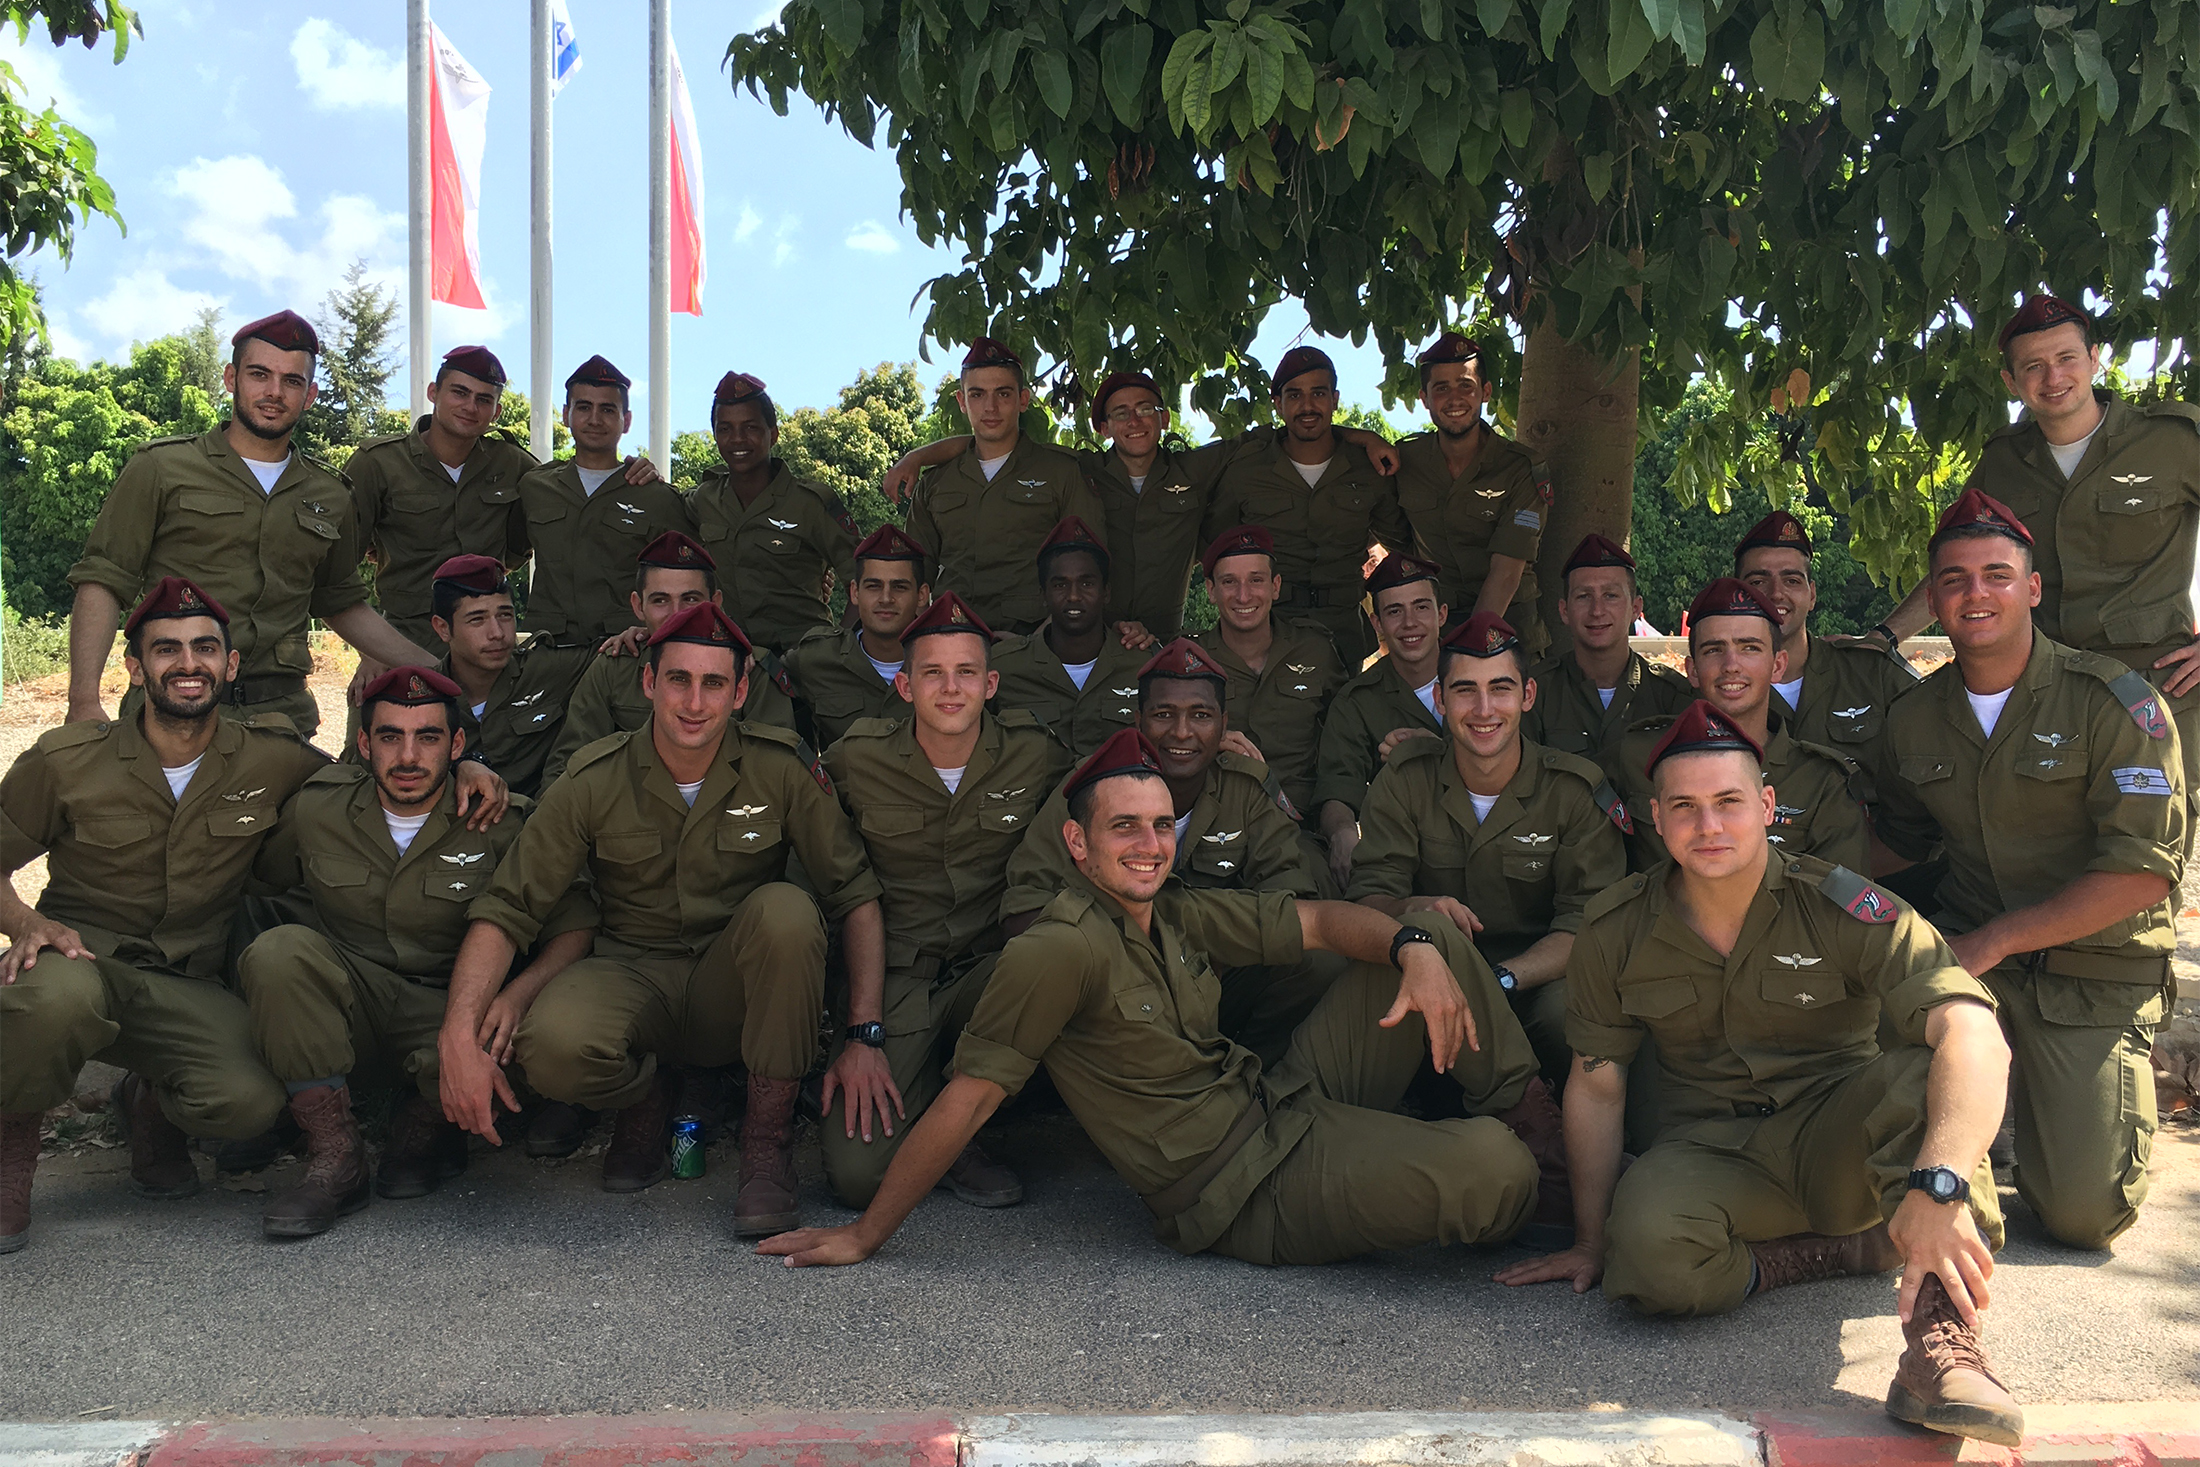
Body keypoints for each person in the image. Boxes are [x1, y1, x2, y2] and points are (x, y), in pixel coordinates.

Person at [756, 727, 1565, 1270]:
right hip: (1242, 1192)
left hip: (1284, 1103)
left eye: (1161, 826)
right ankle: (1516, 1169)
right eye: (1124, 829)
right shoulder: (1059, 949)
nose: (1150, 846)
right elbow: (965, 1102)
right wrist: (865, 1235)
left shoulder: (1175, 908)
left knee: (1430, 934)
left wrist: (1410, 947)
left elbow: (1318, 918)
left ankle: (1549, 1139)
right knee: (1496, 1170)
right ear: (1077, 844)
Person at [1495, 700, 2025, 1448]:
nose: (1708, 826)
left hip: (1837, 1136)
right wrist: (1590, 1239)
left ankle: (1942, 1347)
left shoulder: (1842, 905)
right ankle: (1839, 1249)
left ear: (1767, 805)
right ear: (1655, 815)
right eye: (1684, 807)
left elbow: (1975, 1032)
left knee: (1921, 1076)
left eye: (1728, 803)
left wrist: (1938, 1180)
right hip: (1711, 1153)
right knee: (1645, 1266)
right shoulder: (1617, 928)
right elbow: (1597, 1082)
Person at [438, 603, 885, 1233]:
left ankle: (766, 1143)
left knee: (787, 913)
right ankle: (649, 1092)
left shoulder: (779, 768)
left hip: (731, 986)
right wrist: (458, 1032)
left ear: (740, 693)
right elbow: (509, 905)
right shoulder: (594, 777)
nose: (694, 702)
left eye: (713, 684)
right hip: (632, 976)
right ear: (649, 683)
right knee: (552, 1046)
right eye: (678, 679)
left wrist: (864, 1030)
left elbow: (854, 894)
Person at [1877, 487, 2186, 1252]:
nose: (1974, 593)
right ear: (1935, 598)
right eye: (1953, 579)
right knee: (1880, 1053)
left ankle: (2042, 1111)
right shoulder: (1914, 717)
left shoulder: (2113, 704)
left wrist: (1997, 938)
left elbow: (2144, 874)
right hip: (1975, 965)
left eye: (1996, 574)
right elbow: (1899, 843)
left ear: (2033, 587)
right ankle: (1954, 1192)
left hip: (2095, 973)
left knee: (2083, 1216)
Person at [0, 578, 327, 1253]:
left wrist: (469, 767)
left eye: (205, 647)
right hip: (82, 964)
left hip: (184, 984)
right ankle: (9, 1163)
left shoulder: (271, 755)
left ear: (230, 665)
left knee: (251, 1101)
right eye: (166, 648)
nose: (188, 663)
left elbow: (362, 782)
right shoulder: (67, 762)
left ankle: (148, 1103)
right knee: (50, 998)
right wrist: (22, 921)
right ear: (135, 666)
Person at [237, 668, 594, 1237]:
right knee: (279, 953)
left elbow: (575, 927)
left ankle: (429, 1124)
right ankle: (336, 1156)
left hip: (451, 1007)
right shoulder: (318, 809)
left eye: (428, 737)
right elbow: (256, 882)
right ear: (362, 743)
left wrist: (517, 996)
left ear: (456, 745)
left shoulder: (505, 823)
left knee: (534, 1039)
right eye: (389, 737)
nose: (408, 756)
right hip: (355, 1003)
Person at [1872, 297, 2200, 815]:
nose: (2053, 377)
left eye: (2067, 358)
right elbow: (1959, 566)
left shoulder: (2172, 440)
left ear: (2095, 359)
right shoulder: (2003, 460)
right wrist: (1885, 636)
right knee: (2046, 842)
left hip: (2153, 680)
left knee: (2144, 845)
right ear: (2011, 381)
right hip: (2045, 689)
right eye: (2033, 366)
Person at [66, 311, 431, 737]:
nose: (274, 392)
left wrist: (434, 668)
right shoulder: (161, 468)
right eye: (260, 374)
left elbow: (340, 601)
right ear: (231, 378)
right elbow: (103, 580)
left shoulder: (331, 493)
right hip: (167, 714)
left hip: (280, 720)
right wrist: (83, 701)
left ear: (310, 395)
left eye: (292, 381)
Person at [818, 592, 1069, 1209]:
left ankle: (961, 1130)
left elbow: (1111, 791)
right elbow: (826, 871)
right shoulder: (855, 758)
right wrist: (859, 1031)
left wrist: (1237, 753)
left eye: (966, 673)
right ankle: (930, 1103)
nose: (950, 689)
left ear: (991, 684)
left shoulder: (1033, 751)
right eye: (932, 672)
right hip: (896, 982)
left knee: (1059, 961)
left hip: (988, 976)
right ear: (904, 686)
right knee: (857, 1179)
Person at [1000, 638, 1342, 1065]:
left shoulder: (1244, 789)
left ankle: (1247, 1072)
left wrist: (1207, 952)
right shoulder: (1091, 788)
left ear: (1223, 723)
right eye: (1164, 715)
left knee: (1317, 962)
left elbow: (1291, 900)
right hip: (1109, 985)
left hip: (1212, 978)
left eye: (1200, 715)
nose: (1182, 732)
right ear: (1137, 720)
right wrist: (1113, 958)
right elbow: (1022, 907)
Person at [886, 371, 1391, 641]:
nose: (1134, 421)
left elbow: (1291, 428)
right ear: (1102, 428)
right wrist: (916, 455)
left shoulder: (1195, 471)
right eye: (1119, 413)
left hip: (1164, 637)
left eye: (1146, 409)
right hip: (1088, 639)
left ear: (1165, 417)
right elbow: (995, 442)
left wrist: (1364, 437)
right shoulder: (1078, 469)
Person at [1350, 613, 1629, 1088]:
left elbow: (1589, 923)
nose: (1484, 709)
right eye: (1464, 691)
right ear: (1440, 699)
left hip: (1535, 978)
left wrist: (1503, 978)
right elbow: (1368, 900)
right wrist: (1412, 908)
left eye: (1500, 689)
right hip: (1429, 971)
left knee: (1574, 1011)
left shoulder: (1574, 789)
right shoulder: (1405, 779)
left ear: (1527, 696)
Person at [1615, 579, 1868, 873]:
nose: (1731, 665)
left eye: (1749, 648)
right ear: (1692, 670)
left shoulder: (1822, 782)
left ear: (1778, 666)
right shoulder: (1637, 755)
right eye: (1713, 650)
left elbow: (1840, 904)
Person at [1201, 345, 1413, 663]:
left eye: (1318, 393)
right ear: (1278, 404)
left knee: (1343, 714)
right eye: (1295, 395)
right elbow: (1215, 545)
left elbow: (1406, 543)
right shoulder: (1247, 469)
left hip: (1343, 634)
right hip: (1267, 632)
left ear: (1335, 399)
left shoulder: (1369, 468)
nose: (1308, 406)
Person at [540, 532, 796, 788]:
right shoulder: (615, 666)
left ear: (715, 602)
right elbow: (569, 765)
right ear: (638, 606)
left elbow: (778, 774)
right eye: (660, 600)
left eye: (690, 599)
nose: (676, 615)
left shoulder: (752, 670)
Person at [902, 340, 1105, 633]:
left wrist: (1045, 640)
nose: (991, 407)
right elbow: (913, 578)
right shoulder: (935, 483)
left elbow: (1093, 566)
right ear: (962, 401)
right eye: (977, 394)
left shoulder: (1061, 472)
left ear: (1023, 400)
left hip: (1037, 643)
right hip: (953, 638)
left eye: (1003, 393)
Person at [345, 346, 540, 651]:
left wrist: (635, 472)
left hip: (490, 641)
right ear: (434, 392)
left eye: (484, 399)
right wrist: (370, 650)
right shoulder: (378, 463)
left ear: (496, 412)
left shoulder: (514, 465)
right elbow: (339, 567)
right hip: (404, 639)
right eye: (459, 393)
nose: (470, 407)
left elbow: (555, 506)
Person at [1733, 509, 1917, 801]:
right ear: (1737, 594)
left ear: (1813, 594)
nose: (1775, 593)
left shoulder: (1870, 673)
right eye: (1758, 582)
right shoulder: (1717, 687)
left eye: (1792, 580)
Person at [514, 355, 692, 653]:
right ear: (565, 414)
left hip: (626, 652)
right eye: (584, 407)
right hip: (548, 652)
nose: (595, 419)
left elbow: (687, 582)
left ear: (627, 421)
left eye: (608, 409)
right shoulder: (534, 487)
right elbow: (508, 553)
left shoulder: (655, 497)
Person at [1393, 332, 1553, 652]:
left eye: (1466, 385)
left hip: (1510, 629)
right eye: (1441, 388)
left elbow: (1506, 573)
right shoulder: (1404, 462)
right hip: (1434, 629)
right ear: (1424, 398)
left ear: (1485, 392)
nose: (1455, 398)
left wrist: (1467, 651)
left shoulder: (1521, 468)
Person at [686, 371, 860, 653]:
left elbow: (864, 579)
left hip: (802, 662)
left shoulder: (810, 503)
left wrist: (839, 648)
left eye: (751, 427)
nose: (737, 439)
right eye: (725, 429)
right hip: (729, 659)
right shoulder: (704, 499)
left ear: (773, 434)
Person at [1192, 525, 1348, 827]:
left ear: (1275, 586)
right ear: (1211, 591)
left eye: (1256, 580)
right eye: (1229, 582)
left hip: (1298, 825)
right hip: (1215, 822)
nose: (1243, 595)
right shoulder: (1190, 660)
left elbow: (1347, 741)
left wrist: (1339, 826)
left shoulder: (1315, 650)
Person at [1313, 554, 1448, 889]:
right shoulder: (1357, 702)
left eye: (1421, 607)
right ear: (1376, 624)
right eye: (1394, 611)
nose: (1409, 623)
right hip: (1406, 852)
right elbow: (1338, 789)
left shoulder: (1481, 679)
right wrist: (1342, 832)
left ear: (1441, 614)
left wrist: (1439, 751)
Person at [1522, 533, 1694, 776]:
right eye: (1584, 596)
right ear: (1564, 611)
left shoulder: (1671, 697)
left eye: (1610, 596)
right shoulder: (1536, 694)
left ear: (1636, 609)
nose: (1597, 610)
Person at [430, 555, 592, 799]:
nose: (497, 633)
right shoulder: (422, 697)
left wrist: (636, 635)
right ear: (443, 628)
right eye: (477, 620)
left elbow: (618, 658)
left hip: (534, 824)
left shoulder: (548, 669)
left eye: (505, 615)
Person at [988, 517, 1146, 757]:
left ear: (1106, 592)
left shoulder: (1143, 665)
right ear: (1043, 595)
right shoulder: (1004, 668)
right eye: (1060, 585)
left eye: (1087, 583)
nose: (1073, 596)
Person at [783, 524, 932, 749]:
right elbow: (757, 679)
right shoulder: (814, 660)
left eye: (899, 587)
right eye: (873, 586)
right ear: (854, 592)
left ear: (921, 596)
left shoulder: (951, 663)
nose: (885, 598)